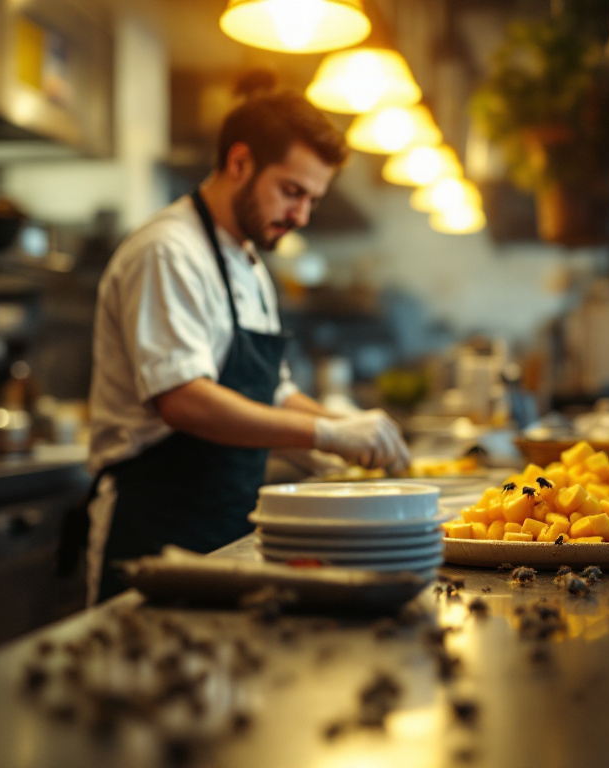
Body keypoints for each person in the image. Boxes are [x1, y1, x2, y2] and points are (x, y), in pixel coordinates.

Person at [84, 91, 410, 603]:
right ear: (240, 163)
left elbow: (270, 393)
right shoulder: (169, 252)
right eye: (291, 191)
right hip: (154, 525)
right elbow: (184, 399)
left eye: (312, 200)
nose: (301, 215)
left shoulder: (252, 265)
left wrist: (344, 432)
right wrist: (323, 433)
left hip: (226, 523)